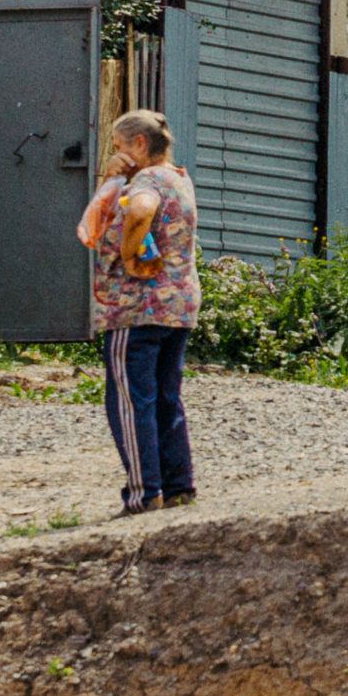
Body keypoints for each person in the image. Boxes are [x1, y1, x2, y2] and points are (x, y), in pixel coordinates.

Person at [76, 109, 201, 515]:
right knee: (167, 397)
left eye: (119, 147)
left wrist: (130, 255)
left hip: (136, 308)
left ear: (140, 145)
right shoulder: (179, 178)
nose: (116, 155)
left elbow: (141, 209)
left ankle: (143, 493)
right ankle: (178, 486)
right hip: (177, 305)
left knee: (131, 402)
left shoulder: (147, 181)